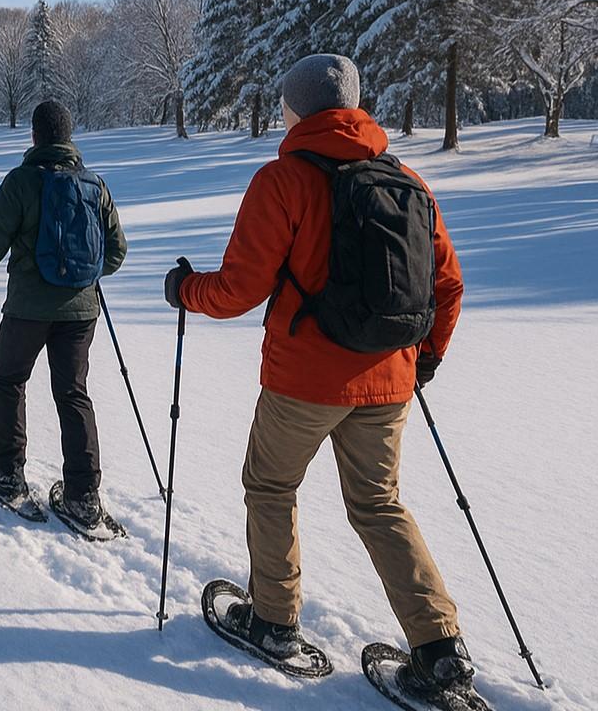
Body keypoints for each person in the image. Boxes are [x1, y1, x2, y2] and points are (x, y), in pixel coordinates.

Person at [164, 54, 473, 691]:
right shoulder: (406, 179)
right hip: (390, 378)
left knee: (271, 486)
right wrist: (428, 357)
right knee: (380, 504)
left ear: (298, 109)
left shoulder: (283, 180)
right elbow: (448, 282)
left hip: (304, 380)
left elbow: (239, 289)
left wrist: (184, 290)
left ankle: (274, 622)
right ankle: (440, 646)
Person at [0, 100, 128, 532]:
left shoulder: (20, 183)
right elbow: (117, 251)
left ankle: (9, 473)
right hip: (81, 312)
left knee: (9, 381)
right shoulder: (95, 186)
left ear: (34, 137)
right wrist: (85, 277)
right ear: (69, 137)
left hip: (27, 310)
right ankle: (83, 497)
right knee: (73, 393)